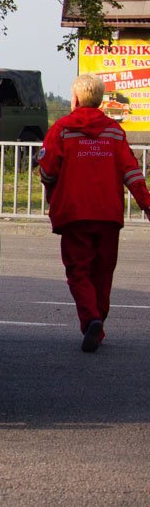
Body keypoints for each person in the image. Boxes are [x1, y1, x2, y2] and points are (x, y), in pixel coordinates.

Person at [38, 74, 150, 352]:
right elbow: (132, 172)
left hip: (75, 214)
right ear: (100, 100)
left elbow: (47, 170)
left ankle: (91, 319)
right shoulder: (114, 131)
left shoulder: (62, 129)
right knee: (103, 273)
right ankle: (97, 324)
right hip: (108, 214)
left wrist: (53, 190)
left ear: (75, 98)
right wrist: (147, 204)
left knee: (79, 271)